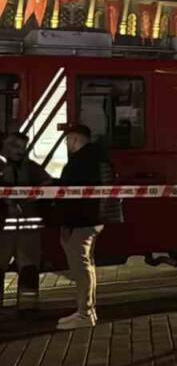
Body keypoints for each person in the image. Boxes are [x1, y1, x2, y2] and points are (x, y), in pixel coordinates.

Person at [53, 124, 121, 329]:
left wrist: (68, 223)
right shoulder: (98, 157)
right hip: (93, 219)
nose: (66, 144)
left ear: (74, 139)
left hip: (82, 221)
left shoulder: (81, 162)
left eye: (67, 140)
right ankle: (86, 311)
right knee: (86, 264)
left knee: (81, 267)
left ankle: (85, 313)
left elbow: (74, 195)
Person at [0, 132, 51, 300]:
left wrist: (37, 194)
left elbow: (48, 183)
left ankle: (28, 306)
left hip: (27, 231)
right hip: (4, 229)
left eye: (23, 147)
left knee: (29, 269)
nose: (20, 151)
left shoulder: (31, 167)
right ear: (5, 146)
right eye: (16, 146)